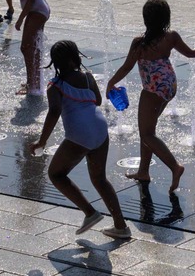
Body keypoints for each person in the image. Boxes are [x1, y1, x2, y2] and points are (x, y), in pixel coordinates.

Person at [106, 0, 195, 193]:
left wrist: (110, 83)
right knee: (148, 130)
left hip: (152, 89)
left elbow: (126, 67)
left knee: (147, 133)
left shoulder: (140, 43)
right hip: (169, 86)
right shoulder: (171, 37)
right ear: (166, 18)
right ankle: (143, 171)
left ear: (145, 19)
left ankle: (175, 167)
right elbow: (190, 53)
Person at [30, 40, 131, 240]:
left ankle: (90, 213)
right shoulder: (88, 77)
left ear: (55, 63)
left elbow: (54, 111)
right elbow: (98, 101)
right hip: (100, 129)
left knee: (56, 174)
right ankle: (121, 226)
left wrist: (42, 141)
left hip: (79, 134)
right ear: (76, 57)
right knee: (100, 179)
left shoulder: (55, 86)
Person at [13, 0, 51, 96]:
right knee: (35, 48)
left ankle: (31, 83)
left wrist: (20, 19)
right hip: (42, 10)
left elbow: (31, 0)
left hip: (36, 12)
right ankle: (35, 80)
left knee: (26, 47)